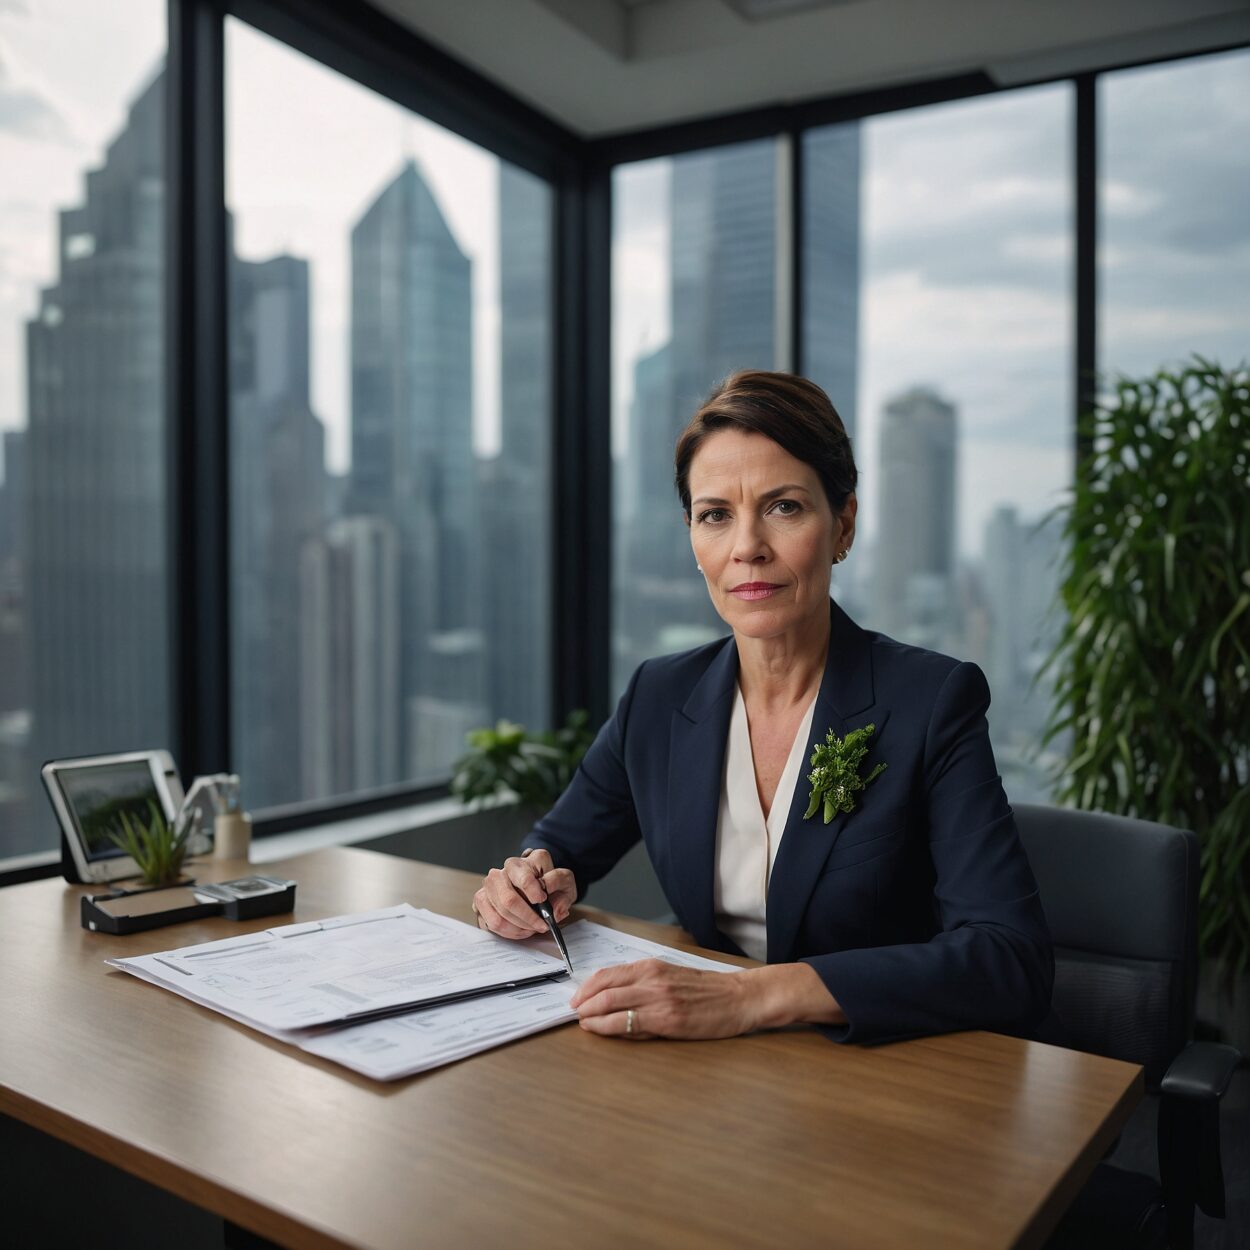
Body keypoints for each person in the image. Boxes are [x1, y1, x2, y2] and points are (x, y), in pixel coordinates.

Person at [473, 370, 1053, 1045]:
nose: (747, 546)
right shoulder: (658, 698)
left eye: (783, 507)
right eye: (716, 514)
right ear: (693, 538)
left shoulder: (931, 702)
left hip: (878, 1072)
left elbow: (1010, 959)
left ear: (843, 525)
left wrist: (752, 996)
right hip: (709, 1067)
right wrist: (521, 887)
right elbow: (557, 849)